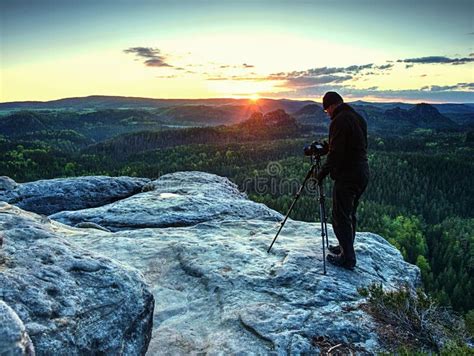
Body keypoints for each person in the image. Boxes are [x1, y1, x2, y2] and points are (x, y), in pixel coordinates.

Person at [317, 92, 369, 270]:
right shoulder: (357, 117)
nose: (327, 114)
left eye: (326, 111)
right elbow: (353, 145)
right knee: (349, 214)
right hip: (362, 172)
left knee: (340, 216)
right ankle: (345, 248)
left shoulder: (339, 121)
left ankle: (347, 258)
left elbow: (336, 154)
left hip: (348, 175)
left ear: (331, 106)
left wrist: (322, 173)